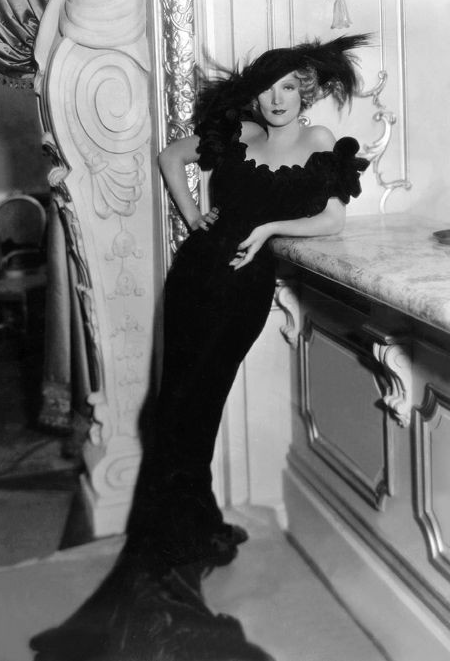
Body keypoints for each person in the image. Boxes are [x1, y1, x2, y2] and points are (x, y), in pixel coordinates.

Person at [30, 34, 370, 661]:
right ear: (254, 95)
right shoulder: (238, 133)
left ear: (306, 92)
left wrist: (267, 229)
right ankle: (181, 541)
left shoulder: (320, 141)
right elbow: (170, 157)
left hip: (242, 290)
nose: (276, 99)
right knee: (174, 410)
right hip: (194, 277)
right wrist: (192, 217)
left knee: (195, 410)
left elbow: (332, 218)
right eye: (266, 89)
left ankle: (182, 537)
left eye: (288, 88)